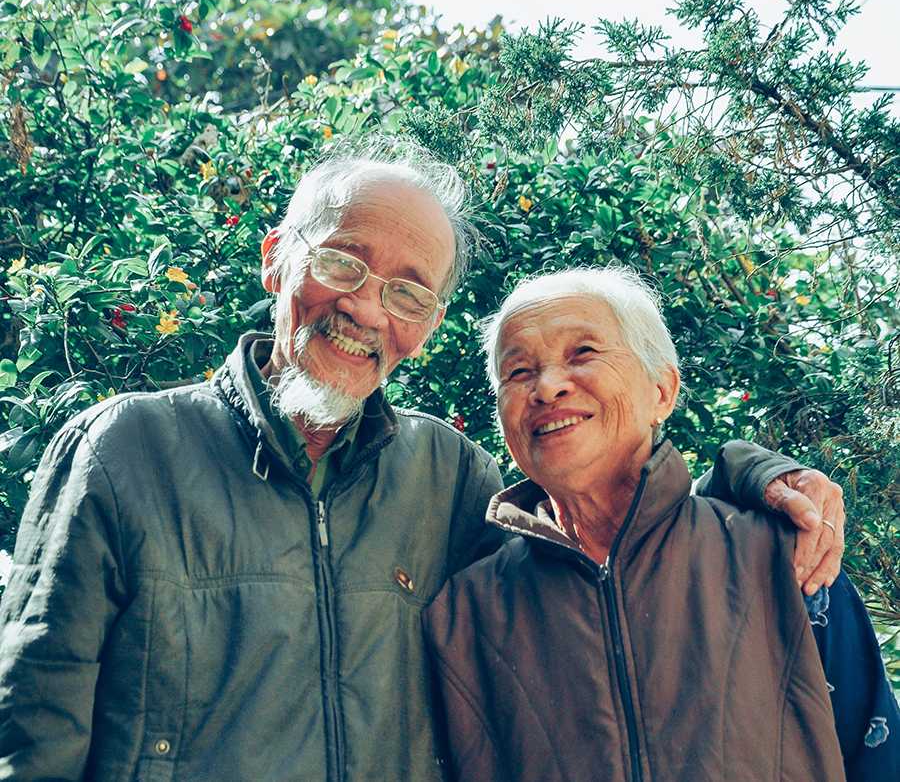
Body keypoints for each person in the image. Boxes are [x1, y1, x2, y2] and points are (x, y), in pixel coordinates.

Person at [0, 137, 845, 782]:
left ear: (430, 322)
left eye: (408, 290)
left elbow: (610, 542)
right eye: (341, 262)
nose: (365, 307)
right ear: (276, 258)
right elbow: (33, 729)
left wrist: (750, 477)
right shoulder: (124, 450)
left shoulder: (445, 475)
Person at [423, 266, 899, 782]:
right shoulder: (465, 613)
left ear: (662, 392)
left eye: (582, 353)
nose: (548, 386)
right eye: (518, 373)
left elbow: (878, 754)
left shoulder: (783, 555)